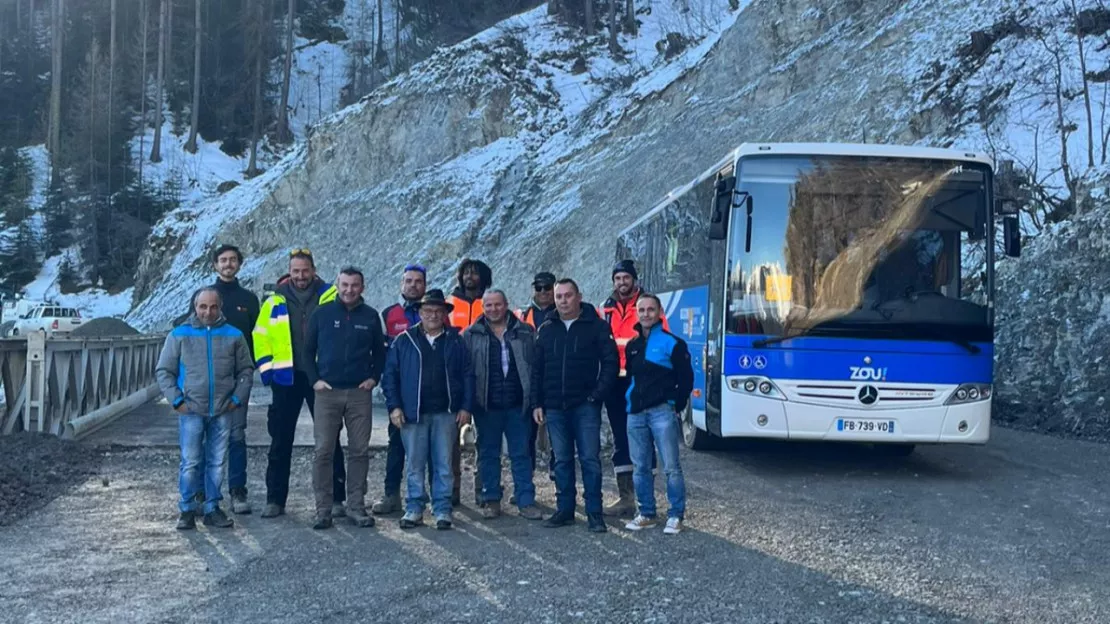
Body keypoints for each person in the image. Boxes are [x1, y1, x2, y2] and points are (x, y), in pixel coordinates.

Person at [253, 249, 345, 519]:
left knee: (329, 440)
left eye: (305, 271)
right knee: (280, 440)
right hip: (286, 378)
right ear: (289, 271)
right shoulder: (273, 301)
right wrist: (268, 371)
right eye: (296, 271)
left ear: (314, 270)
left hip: (321, 378)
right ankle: (275, 499)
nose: (301, 276)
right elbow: (260, 336)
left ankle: (337, 498)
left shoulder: (331, 296)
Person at [156, 288, 254, 530]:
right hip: (191, 410)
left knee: (217, 461)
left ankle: (212, 507)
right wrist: (176, 400)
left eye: (213, 307)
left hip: (222, 409)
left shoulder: (234, 335)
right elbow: (164, 371)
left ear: (220, 308)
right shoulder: (179, 335)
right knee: (190, 461)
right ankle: (187, 509)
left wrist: (237, 399)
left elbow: (245, 370)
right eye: (202, 307)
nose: (207, 312)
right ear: (195, 307)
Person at [382, 289, 475, 530]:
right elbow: (390, 376)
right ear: (419, 313)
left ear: (445, 314)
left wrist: (465, 406)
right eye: (427, 311)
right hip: (413, 413)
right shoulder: (404, 340)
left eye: (438, 311)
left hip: (446, 412)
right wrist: (394, 407)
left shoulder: (456, 341)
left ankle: (443, 509)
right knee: (414, 462)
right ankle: (414, 508)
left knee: (444, 462)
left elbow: (468, 375)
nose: (433, 315)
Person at [532, 278, 619, 533]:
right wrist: (537, 402)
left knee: (590, 460)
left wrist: (597, 395)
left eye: (567, 295)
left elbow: (610, 362)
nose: (562, 300)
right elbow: (537, 369)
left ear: (578, 296)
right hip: (555, 407)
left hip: (585, 406)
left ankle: (594, 513)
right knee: (561, 459)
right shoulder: (547, 328)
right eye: (559, 296)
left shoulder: (596, 326)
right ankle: (565, 510)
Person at [305, 267, 387, 530]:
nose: (349, 290)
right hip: (327, 393)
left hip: (358, 394)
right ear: (337, 286)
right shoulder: (322, 314)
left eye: (354, 285)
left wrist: (374, 378)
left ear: (362, 287)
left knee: (359, 451)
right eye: (345, 285)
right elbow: (306, 352)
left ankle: (355, 506)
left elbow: (380, 352)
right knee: (323, 451)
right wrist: (315, 380)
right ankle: (323, 510)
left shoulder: (371, 316)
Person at [461, 289, 542, 520]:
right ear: (482, 308)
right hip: (487, 406)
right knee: (487, 454)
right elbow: (466, 373)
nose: (493, 309)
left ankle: (526, 501)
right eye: (488, 306)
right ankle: (491, 499)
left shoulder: (525, 332)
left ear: (506, 305)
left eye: (498, 305)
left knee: (521, 454)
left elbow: (534, 370)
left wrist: (534, 401)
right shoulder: (471, 335)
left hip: (518, 405)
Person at [600, 259, 668, 517]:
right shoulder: (604, 309)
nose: (621, 282)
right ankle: (625, 497)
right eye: (617, 278)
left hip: (641, 381)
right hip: (615, 384)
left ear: (634, 280)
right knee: (620, 438)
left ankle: (645, 499)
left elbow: (664, 343)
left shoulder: (649, 307)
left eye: (626, 277)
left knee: (644, 437)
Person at [196, 244, 260, 515]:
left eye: (233, 260)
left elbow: (258, 336)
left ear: (239, 264)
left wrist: (253, 369)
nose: (228, 264)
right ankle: (204, 492)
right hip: (206, 380)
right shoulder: (205, 296)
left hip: (238, 378)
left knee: (236, 435)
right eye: (223, 260)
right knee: (204, 436)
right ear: (215, 265)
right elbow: (191, 330)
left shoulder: (249, 299)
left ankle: (237, 490)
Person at [622, 293, 692, 535]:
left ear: (659, 311)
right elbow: (631, 377)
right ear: (636, 313)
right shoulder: (632, 346)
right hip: (635, 413)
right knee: (640, 467)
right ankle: (647, 513)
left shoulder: (673, 344)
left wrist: (676, 404)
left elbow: (686, 379)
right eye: (642, 310)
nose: (646, 314)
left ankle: (675, 515)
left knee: (671, 466)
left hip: (662, 411)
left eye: (651, 309)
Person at [372, 263, 428, 516]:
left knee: (435, 448)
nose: (413, 285)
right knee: (397, 446)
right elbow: (380, 355)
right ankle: (391, 495)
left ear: (425, 285)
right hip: (401, 393)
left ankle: (441, 497)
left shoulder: (435, 312)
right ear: (401, 284)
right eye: (409, 281)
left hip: (431, 391)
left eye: (418, 281)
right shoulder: (389, 315)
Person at [448, 258, 492, 330]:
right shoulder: (449, 303)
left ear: (483, 277)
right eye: (466, 273)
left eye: (474, 273)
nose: (469, 276)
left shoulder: (490, 303)